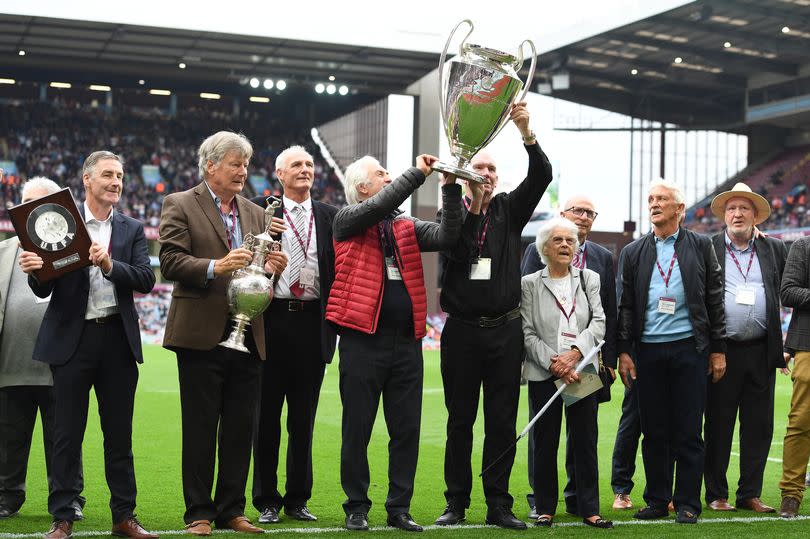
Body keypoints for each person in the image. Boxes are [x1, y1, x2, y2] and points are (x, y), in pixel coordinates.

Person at [19, 151, 157, 539]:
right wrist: (35, 270)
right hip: (71, 341)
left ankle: (124, 517)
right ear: (86, 180)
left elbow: (146, 279)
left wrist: (110, 265)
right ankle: (62, 516)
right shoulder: (60, 223)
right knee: (66, 434)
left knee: (119, 435)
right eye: (109, 175)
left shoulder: (131, 228)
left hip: (117, 340)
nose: (117, 182)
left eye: (121, 176)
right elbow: (43, 286)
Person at [326, 153, 465, 532]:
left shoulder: (405, 226)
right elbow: (381, 205)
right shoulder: (346, 220)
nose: (388, 178)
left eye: (389, 173)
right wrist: (417, 173)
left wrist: (451, 191)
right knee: (358, 428)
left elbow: (447, 236)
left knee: (406, 430)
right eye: (381, 174)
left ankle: (398, 507)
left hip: (406, 342)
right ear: (362, 188)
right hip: (361, 341)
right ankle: (356, 505)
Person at [159, 132, 288, 536]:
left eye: (246, 165)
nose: (242, 171)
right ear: (210, 165)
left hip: (249, 333)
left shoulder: (256, 212)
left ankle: (233, 509)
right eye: (235, 163)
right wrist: (217, 266)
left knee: (239, 427)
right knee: (199, 426)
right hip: (201, 333)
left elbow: (261, 270)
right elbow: (169, 261)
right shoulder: (180, 203)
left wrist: (273, 268)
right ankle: (199, 513)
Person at [435, 102, 552, 530]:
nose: (486, 174)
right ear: (465, 175)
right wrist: (472, 207)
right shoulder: (451, 213)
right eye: (478, 168)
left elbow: (542, 176)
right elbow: (458, 252)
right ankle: (456, 502)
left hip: (505, 332)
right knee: (460, 420)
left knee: (502, 421)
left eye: (491, 169)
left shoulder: (509, 209)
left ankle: (499, 504)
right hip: (462, 333)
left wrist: (526, 131)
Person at [617, 179, 725, 525]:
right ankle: (657, 499)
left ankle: (688, 503)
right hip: (647, 350)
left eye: (662, 199)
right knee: (654, 430)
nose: (654, 204)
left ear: (680, 209)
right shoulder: (634, 252)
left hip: (690, 349)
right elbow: (626, 306)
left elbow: (714, 298)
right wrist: (624, 351)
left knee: (689, 430)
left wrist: (718, 349)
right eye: (650, 199)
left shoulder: (701, 245)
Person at [249, 146, 337, 524]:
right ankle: (266, 499)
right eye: (296, 165)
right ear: (279, 174)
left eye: (309, 165)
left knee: (303, 420)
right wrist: (261, 238)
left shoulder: (330, 216)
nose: (305, 170)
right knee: (265, 417)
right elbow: (244, 257)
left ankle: (298, 498)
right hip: (270, 321)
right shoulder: (259, 210)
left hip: (312, 323)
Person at [520, 195, 617, 518]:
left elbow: (600, 321)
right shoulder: (530, 284)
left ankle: (589, 508)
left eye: (570, 241)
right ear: (544, 248)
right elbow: (528, 331)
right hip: (545, 370)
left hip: (583, 369)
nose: (565, 244)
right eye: (558, 240)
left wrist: (575, 354)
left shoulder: (591, 279)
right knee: (545, 442)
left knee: (585, 440)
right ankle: (544, 507)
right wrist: (554, 362)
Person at [0, 177, 84, 521]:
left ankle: (69, 498)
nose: (33, 209)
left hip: (59, 365)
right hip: (10, 363)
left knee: (63, 439)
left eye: (42, 201)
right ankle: (6, 496)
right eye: (26, 202)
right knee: (8, 441)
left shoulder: (71, 251)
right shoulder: (3, 252)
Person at [704, 183, 787, 513]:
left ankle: (749, 493)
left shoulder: (774, 249)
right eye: (731, 209)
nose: (737, 214)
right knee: (719, 425)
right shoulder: (708, 247)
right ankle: (716, 494)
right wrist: (713, 348)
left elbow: (791, 287)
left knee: (759, 426)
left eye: (744, 209)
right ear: (724, 216)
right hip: (723, 351)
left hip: (762, 351)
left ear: (756, 217)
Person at [779, 235, 810, 518]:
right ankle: (791, 493)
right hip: (808, 345)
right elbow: (787, 292)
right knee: (801, 420)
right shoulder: (803, 246)